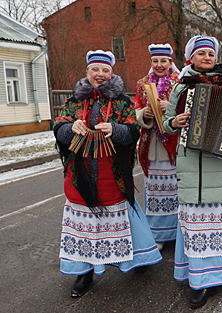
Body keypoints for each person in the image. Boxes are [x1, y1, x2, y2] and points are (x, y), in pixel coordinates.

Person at [54, 50, 162, 297]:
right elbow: (58, 129)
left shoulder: (122, 102)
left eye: (105, 70)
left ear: (111, 74)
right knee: (84, 226)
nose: (100, 74)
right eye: (95, 69)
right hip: (81, 175)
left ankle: (134, 259)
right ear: (87, 73)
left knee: (122, 220)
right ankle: (85, 273)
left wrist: (115, 129)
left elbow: (133, 132)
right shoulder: (73, 102)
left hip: (112, 174)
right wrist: (71, 128)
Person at [162, 35, 222, 309]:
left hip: (219, 161)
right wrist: (175, 121)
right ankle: (200, 282)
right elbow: (166, 123)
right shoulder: (181, 88)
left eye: (210, 54)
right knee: (195, 224)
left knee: (218, 223)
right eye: (201, 54)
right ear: (191, 58)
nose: (207, 58)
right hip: (190, 161)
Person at [134, 44, 180, 250]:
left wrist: (169, 106)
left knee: (176, 190)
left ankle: (178, 231)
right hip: (152, 144)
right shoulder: (142, 84)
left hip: (174, 146)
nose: (159, 65)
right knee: (154, 192)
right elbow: (135, 108)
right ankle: (158, 234)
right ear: (151, 63)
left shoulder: (179, 83)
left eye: (164, 61)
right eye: (155, 61)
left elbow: (187, 107)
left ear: (170, 62)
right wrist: (144, 114)